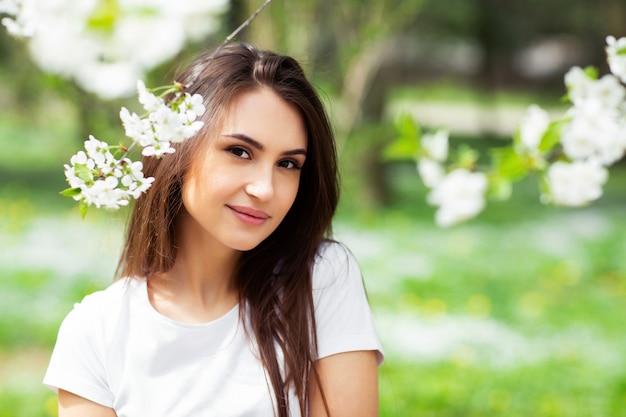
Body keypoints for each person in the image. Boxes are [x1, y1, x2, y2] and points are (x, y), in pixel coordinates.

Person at [43, 42, 383, 417]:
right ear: (177, 147)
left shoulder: (320, 278)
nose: (265, 189)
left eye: (288, 164)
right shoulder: (97, 332)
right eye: (240, 152)